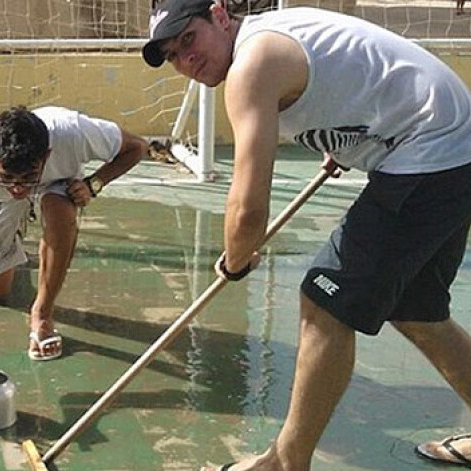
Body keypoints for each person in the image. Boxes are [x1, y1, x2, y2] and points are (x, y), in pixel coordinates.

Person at [142, 1, 471, 470]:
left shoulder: (251, 65)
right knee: (420, 313)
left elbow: (248, 208)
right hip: (455, 139)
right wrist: (350, 142)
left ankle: (284, 463)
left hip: (432, 147)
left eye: (188, 40)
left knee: (324, 304)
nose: (185, 60)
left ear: (219, 14)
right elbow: (349, 78)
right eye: (173, 55)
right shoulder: (270, 38)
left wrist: (235, 260)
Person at [0, 106, 148, 361]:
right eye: (7, 176)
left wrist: (94, 184)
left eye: (28, 176)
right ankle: (24, 240)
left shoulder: (74, 132)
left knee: (61, 214)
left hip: (58, 186)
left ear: (47, 155)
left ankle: (43, 314)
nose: (18, 187)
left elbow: (137, 147)